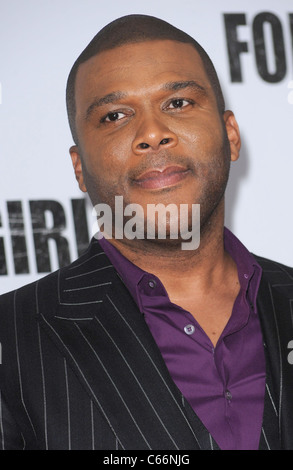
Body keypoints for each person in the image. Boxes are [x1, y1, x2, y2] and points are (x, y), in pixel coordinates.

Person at [0, 14, 292, 451]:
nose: (152, 133)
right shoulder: (12, 338)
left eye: (178, 103)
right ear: (79, 168)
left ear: (230, 134)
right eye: (115, 115)